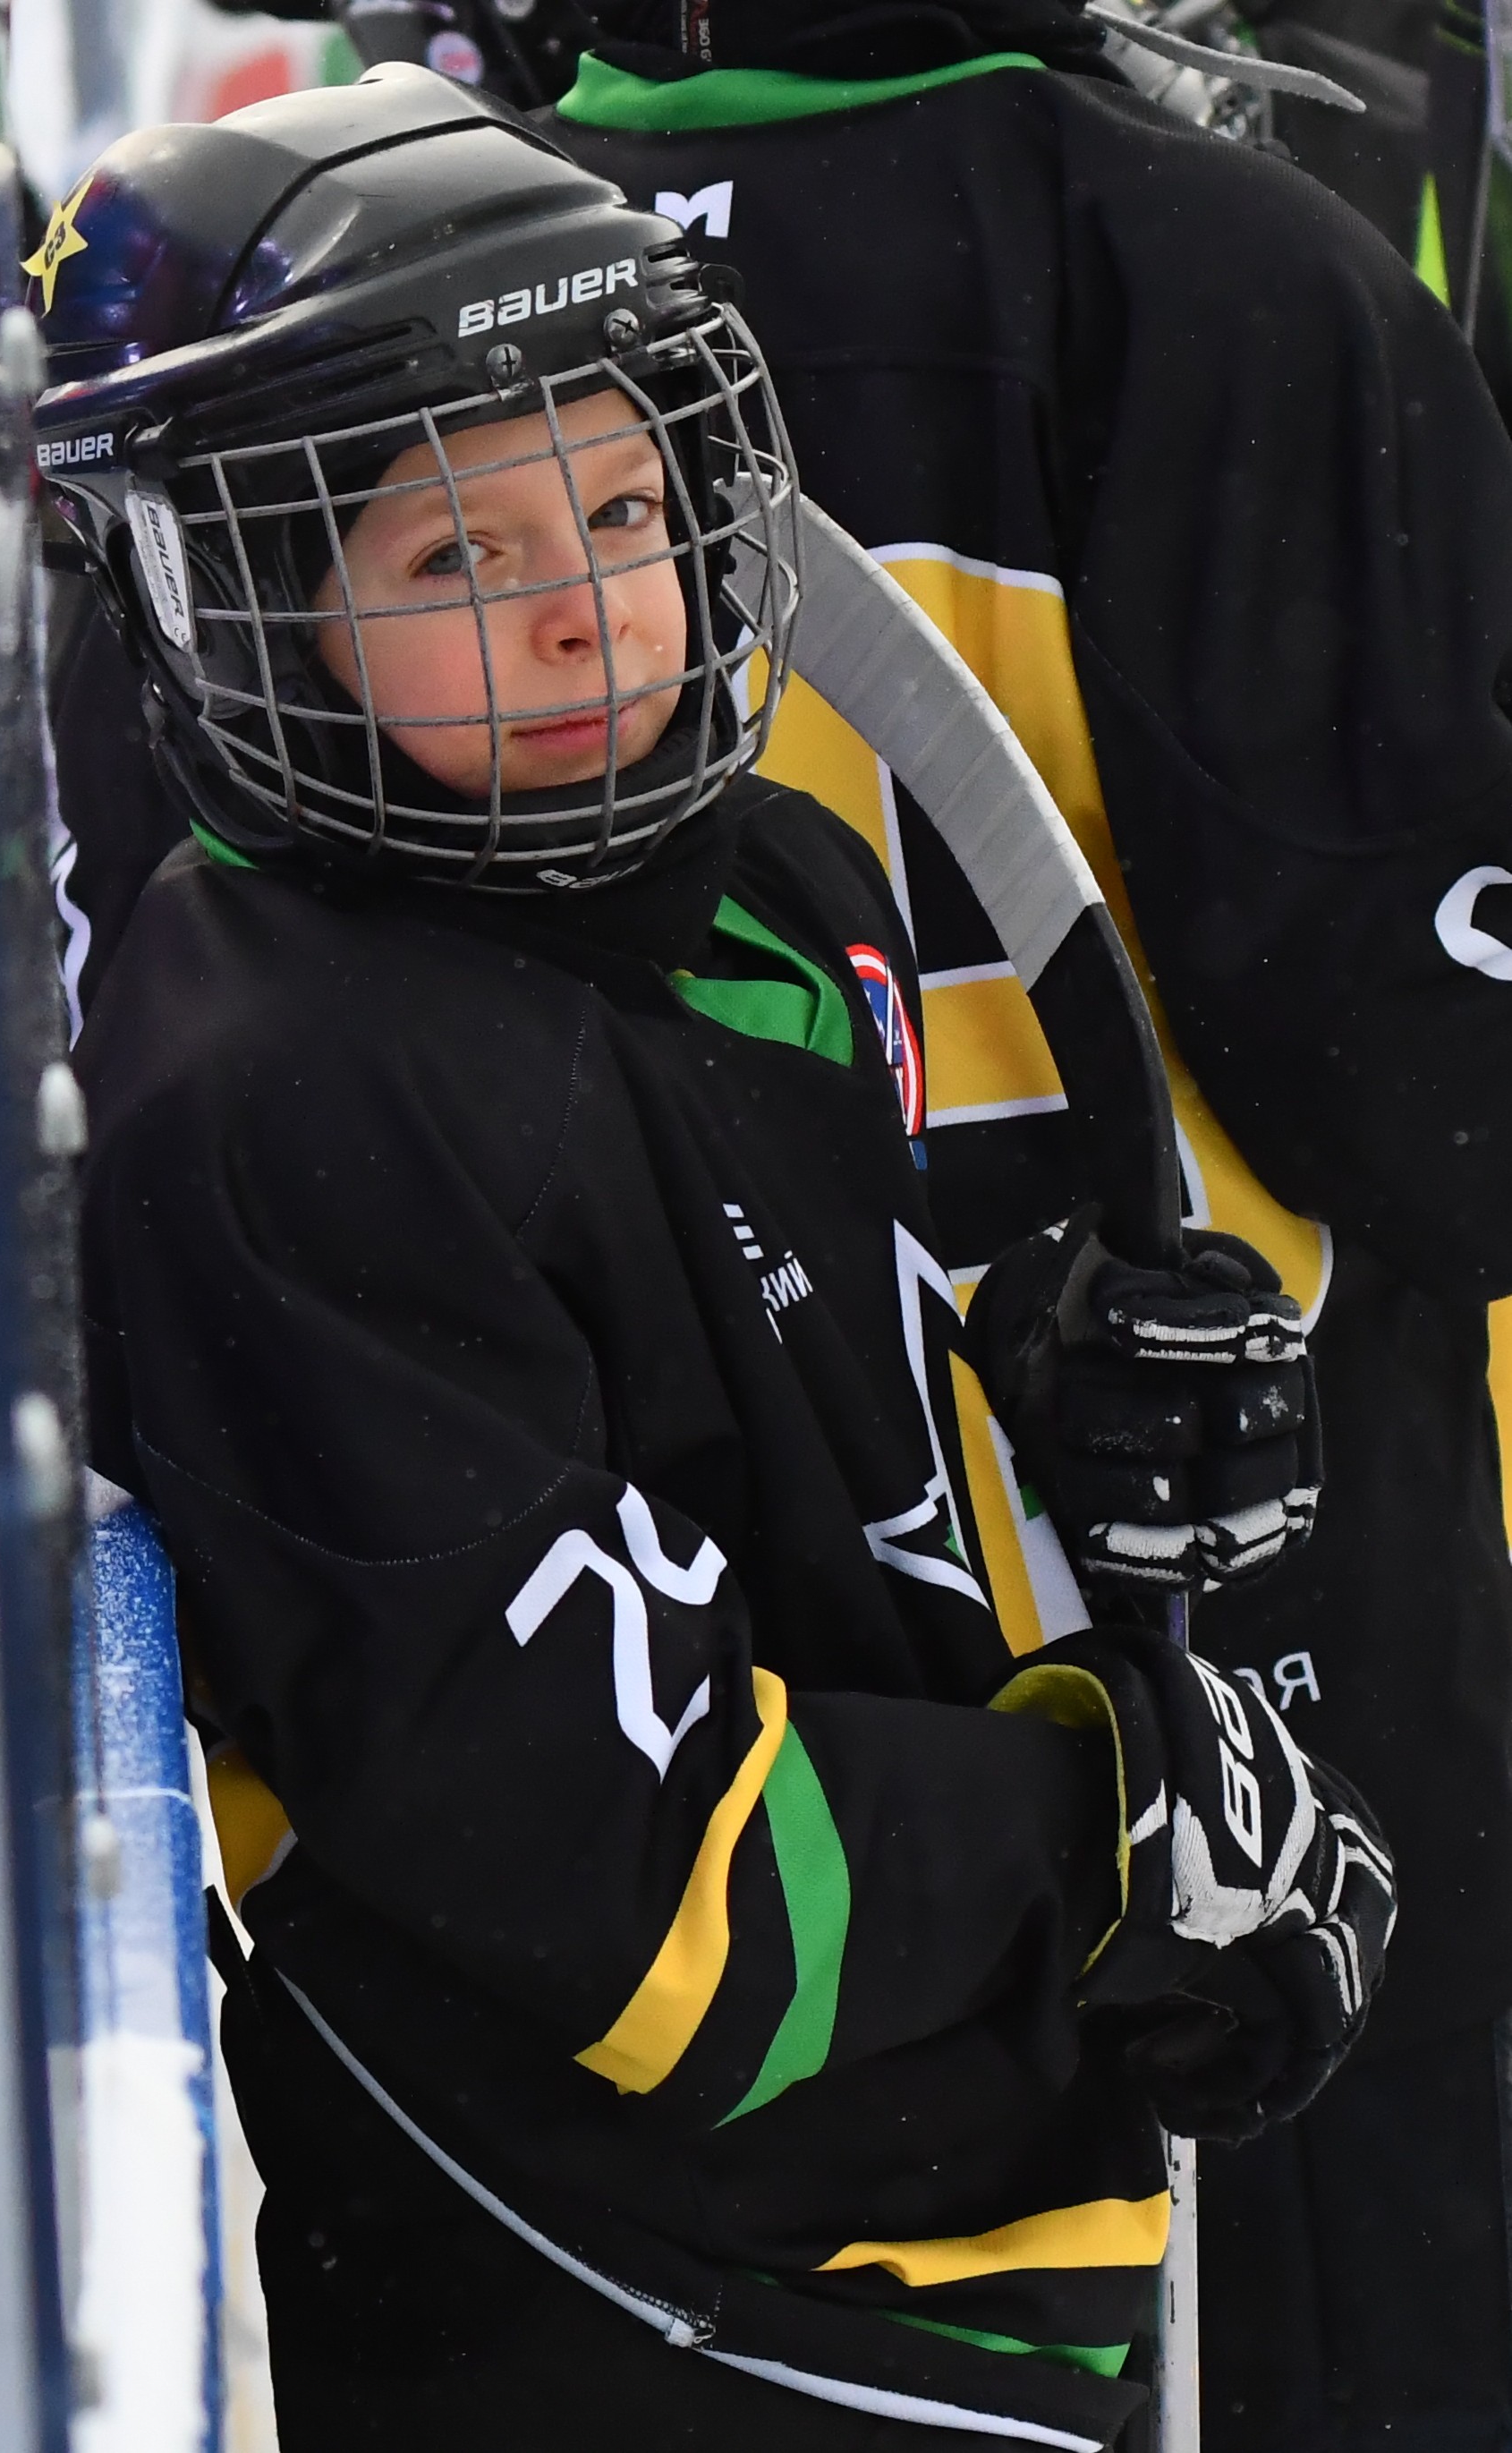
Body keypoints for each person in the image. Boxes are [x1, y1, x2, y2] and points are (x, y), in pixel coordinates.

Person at [38, 64, 1391, 2450]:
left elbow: (799, 1460)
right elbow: (624, 1891)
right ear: (248, 607)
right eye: (456, 559)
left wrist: (1080, 1451)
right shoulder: (279, 1097)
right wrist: (1104, 1836)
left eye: (628, 506)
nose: (587, 612)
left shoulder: (778, 887)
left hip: (945, 2218)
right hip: (640, 2304)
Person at [544, 5, 1512, 2445]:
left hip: (694, 1532)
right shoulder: (1212, 263)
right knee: (1310, 2281)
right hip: (1212, 1541)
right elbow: (1420, 1058)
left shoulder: (449, 258)